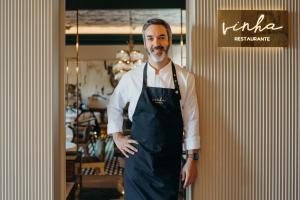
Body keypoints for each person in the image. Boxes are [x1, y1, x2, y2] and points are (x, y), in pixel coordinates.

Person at [107, 18, 200, 200]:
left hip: (169, 164)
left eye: (161, 37)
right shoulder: (131, 77)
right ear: (144, 42)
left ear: (169, 40)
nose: (156, 43)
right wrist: (117, 137)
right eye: (150, 38)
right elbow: (113, 105)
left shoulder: (184, 78)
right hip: (138, 165)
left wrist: (191, 159)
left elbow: (192, 119)